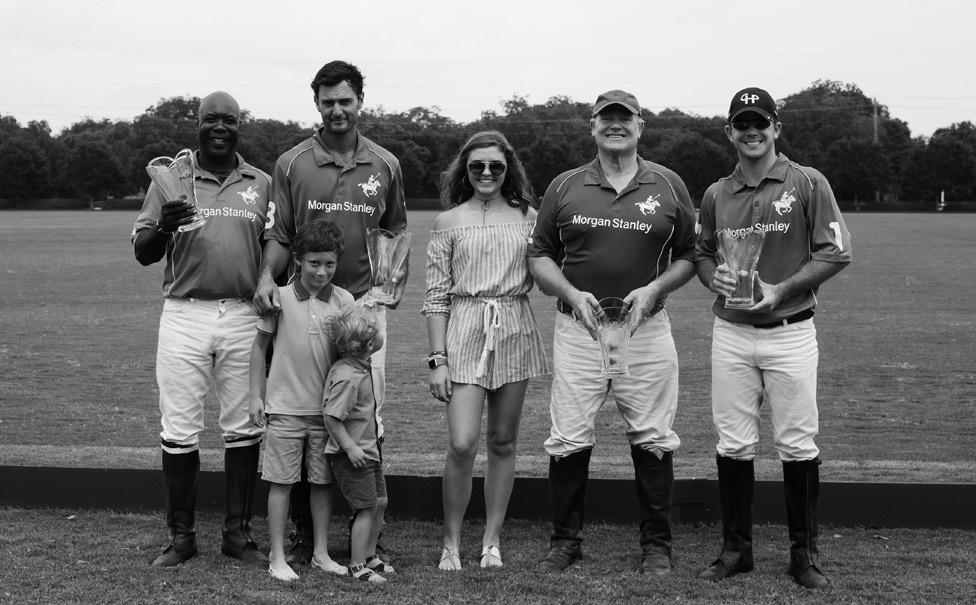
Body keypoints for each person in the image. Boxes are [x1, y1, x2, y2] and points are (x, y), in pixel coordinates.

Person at [526, 90, 697, 576]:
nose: (615, 126)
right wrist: (571, 292)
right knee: (569, 434)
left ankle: (657, 546)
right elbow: (539, 254)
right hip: (579, 328)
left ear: (641, 126)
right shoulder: (565, 185)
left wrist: (655, 289)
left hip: (646, 329)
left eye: (625, 119)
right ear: (593, 126)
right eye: (606, 118)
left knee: (653, 435)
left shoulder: (668, 184)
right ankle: (565, 543)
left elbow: (690, 254)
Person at [694, 87, 852, 589]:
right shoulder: (716, 194)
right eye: (742, 123)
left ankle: (803, 555)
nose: (752, 131)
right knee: (733, 443)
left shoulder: (807, 182)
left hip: (791, 330)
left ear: (776, 127)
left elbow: (835, 252)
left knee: (798, 443)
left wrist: (780, 289)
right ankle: (736, 550)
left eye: (760, 122)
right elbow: (702, 254)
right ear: (729, 132)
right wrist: (714, 278)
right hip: (731, 332)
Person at [252, 59, 408, 565]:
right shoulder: (291, 162)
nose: (337, 110)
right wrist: (266, 278)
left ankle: (369, 528)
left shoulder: (385, 163)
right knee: (305, 415)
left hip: (361, 308)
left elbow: (396, 231)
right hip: (305, 302)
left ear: (360, 101)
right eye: (328, 102)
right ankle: (305, 534)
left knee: (365, 415)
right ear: (316, 103)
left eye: (345, 100)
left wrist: (391, 284)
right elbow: (279, 233)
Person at [131, 91, 271, 568]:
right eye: (211, 119)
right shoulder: (171, 178)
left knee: (245, 425)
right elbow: (143, 252)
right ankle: (181, 538)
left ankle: (238, 535)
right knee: (179, 428)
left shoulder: (261, 182)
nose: (220, 127)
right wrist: (164, 226)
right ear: (197, 124)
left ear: (239, 125)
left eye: (228, 120)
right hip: (184, 313)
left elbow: (276, 249)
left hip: (244, 314)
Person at [422, 131, 550, 571]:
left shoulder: (529, 218)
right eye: (477, 165)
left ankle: (491, 541)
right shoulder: (448, 222)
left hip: (514, 326)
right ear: (466, 169)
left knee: (502, 441)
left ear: (508, 169)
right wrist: (437, 360)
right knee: (461, 443)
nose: (487, 173)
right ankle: (451, 543)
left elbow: (548, 273)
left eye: (496, 165)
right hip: (464, 329)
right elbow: (435, 297)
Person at [248, 219, 354, 581]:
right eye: (314, 263)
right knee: (281, 484)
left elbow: (355, 354)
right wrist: (255, 396)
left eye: (329, 264)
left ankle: (321, 553)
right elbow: (259, 348)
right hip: (284, 410)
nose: (322, 272)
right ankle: (277, 556)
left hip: (327, 415)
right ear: (297, 259)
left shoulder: (345, 301)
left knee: (322, 484)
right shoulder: (277, 297)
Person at [323, 305, 394, 584]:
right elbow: (332, 417)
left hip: (369, 450)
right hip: (354, 454)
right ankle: (357, 564)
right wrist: (350, 448)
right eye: (377, 333)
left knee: (379, 502)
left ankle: (370, 554)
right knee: (365, 508)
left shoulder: (359, 368)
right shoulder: (348, 377)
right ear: (368, 345)